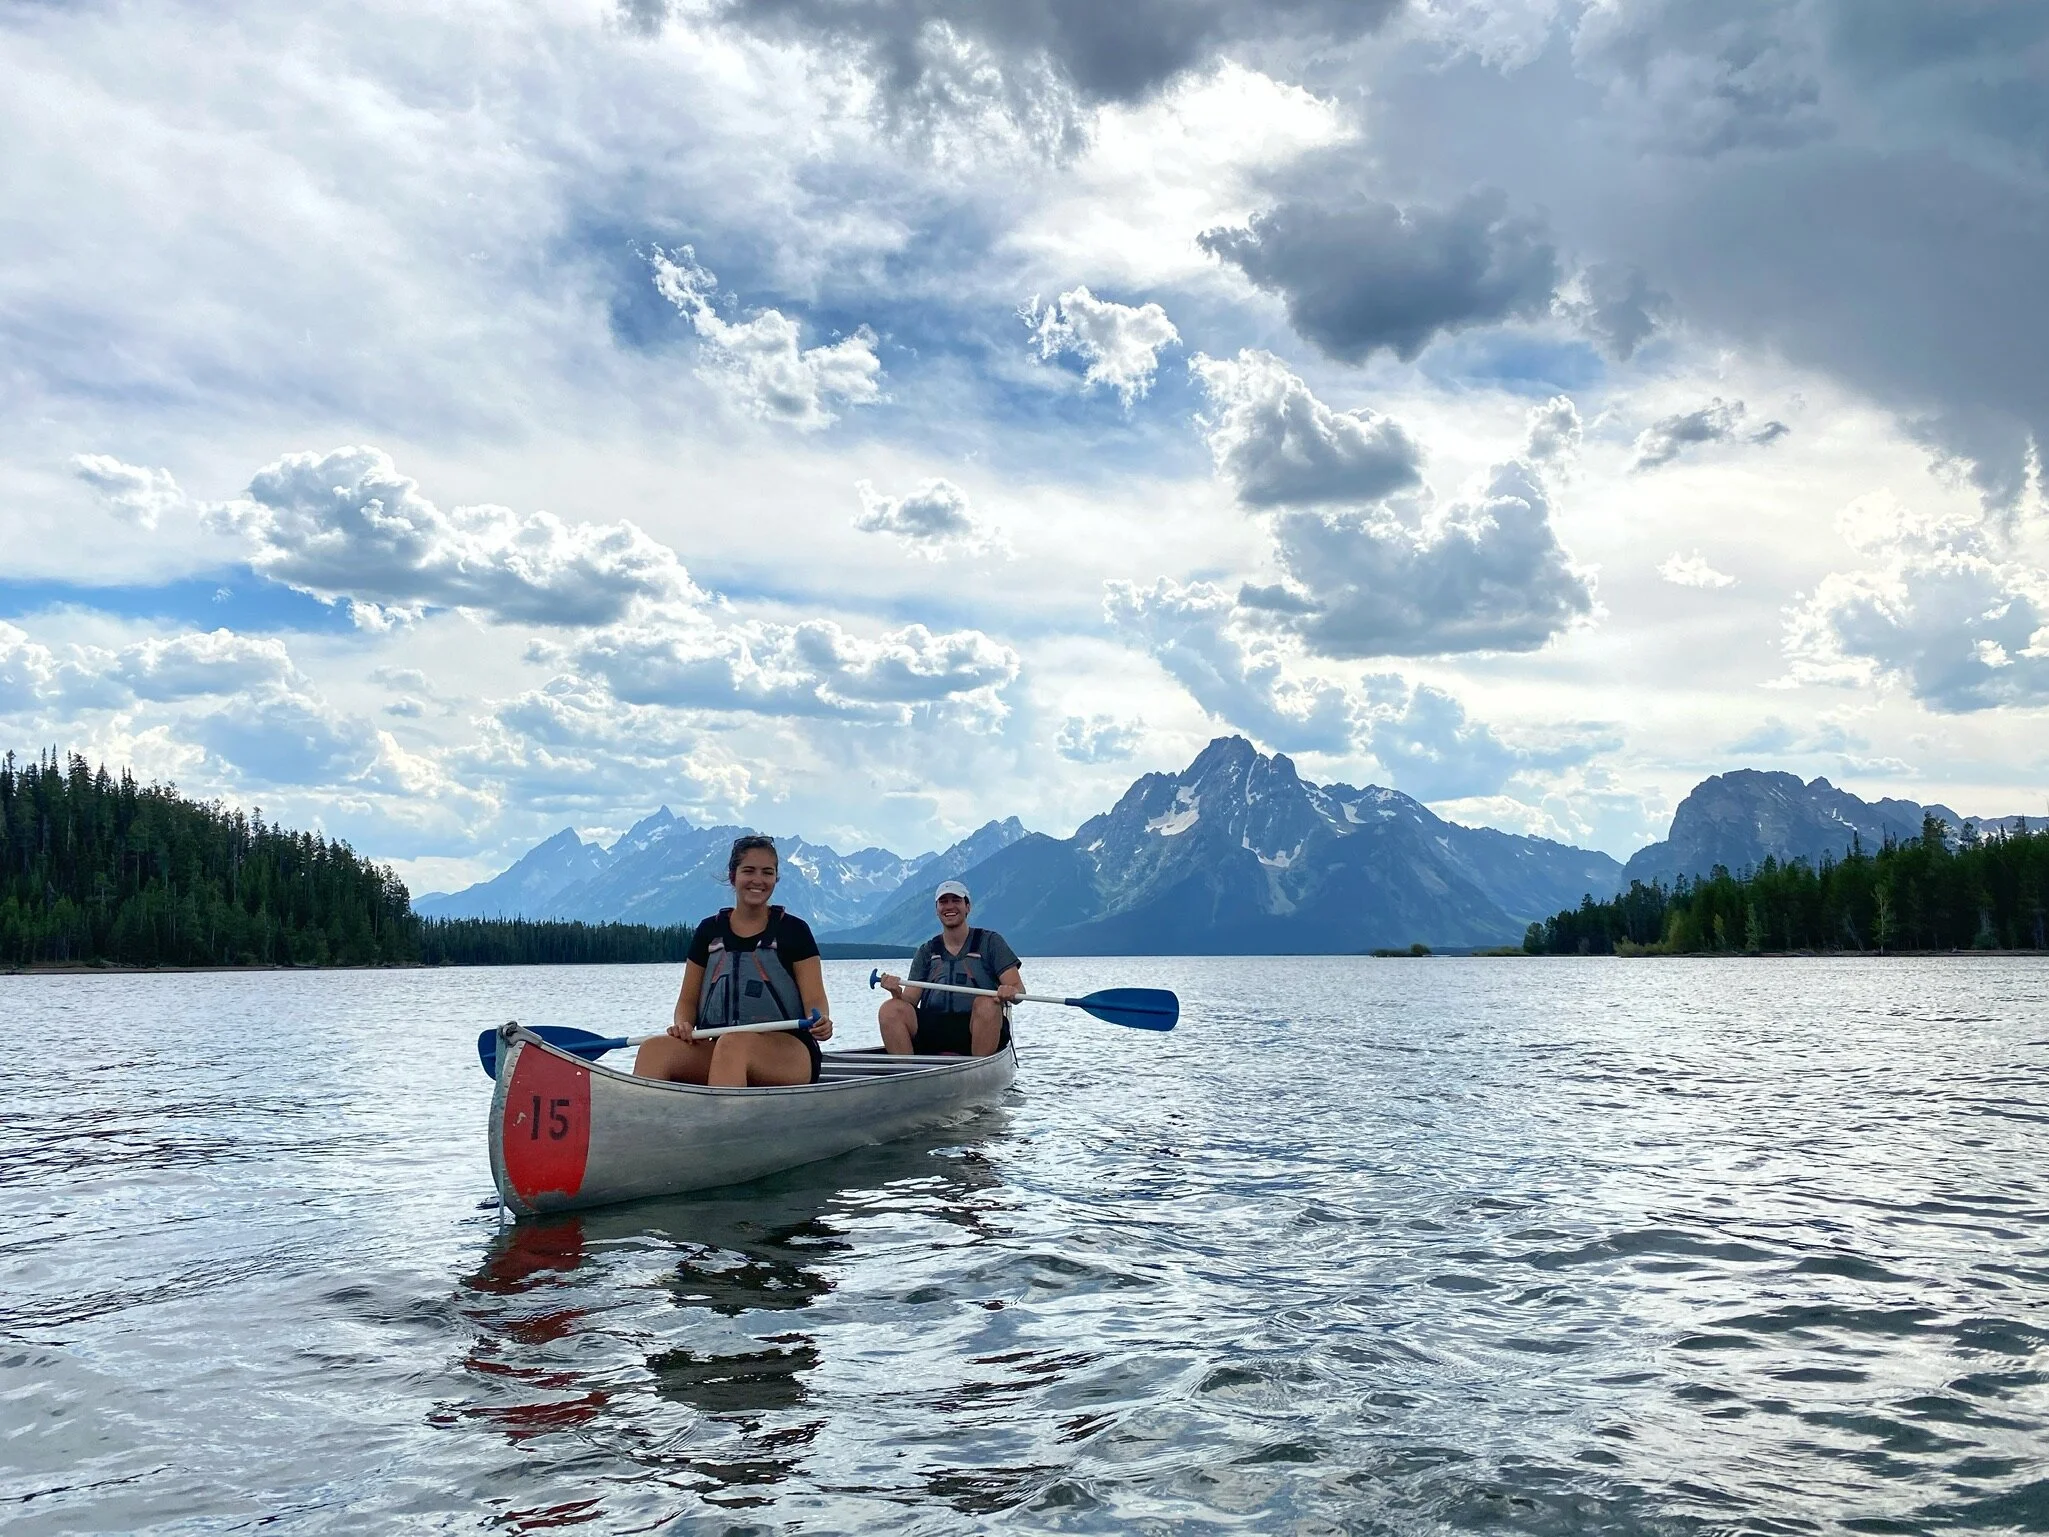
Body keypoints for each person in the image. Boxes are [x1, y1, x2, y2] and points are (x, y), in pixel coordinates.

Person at [634, 835, 834, 1087]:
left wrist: (821, 1020)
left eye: (767, 873)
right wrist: (683, 1024)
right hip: (723, 1048)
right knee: (654, 1050)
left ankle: (723, 1123)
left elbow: (815, 999)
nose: (758, 880)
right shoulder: (708, 931)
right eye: (748, 871)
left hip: (789, 1052)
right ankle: (649, 1122)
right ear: (733, 876)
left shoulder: (795, 931)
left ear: (776, 878)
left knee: (734, 1043)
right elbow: (687, 1001)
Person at [875, 879, 1022, 1056]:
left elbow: (1018, 988)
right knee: (890, 1009)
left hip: (977, 1028)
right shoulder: (927, 950)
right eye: (943, 902)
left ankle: (976, 1072)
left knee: (988, 1004)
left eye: (956, 900)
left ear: (968, 907)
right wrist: (895, 993)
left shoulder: (991, 942)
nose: (949, 906)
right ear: (937, 910)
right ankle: (908, 1074)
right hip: (934, 1028)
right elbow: (909, 1002)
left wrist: (1009, 990)